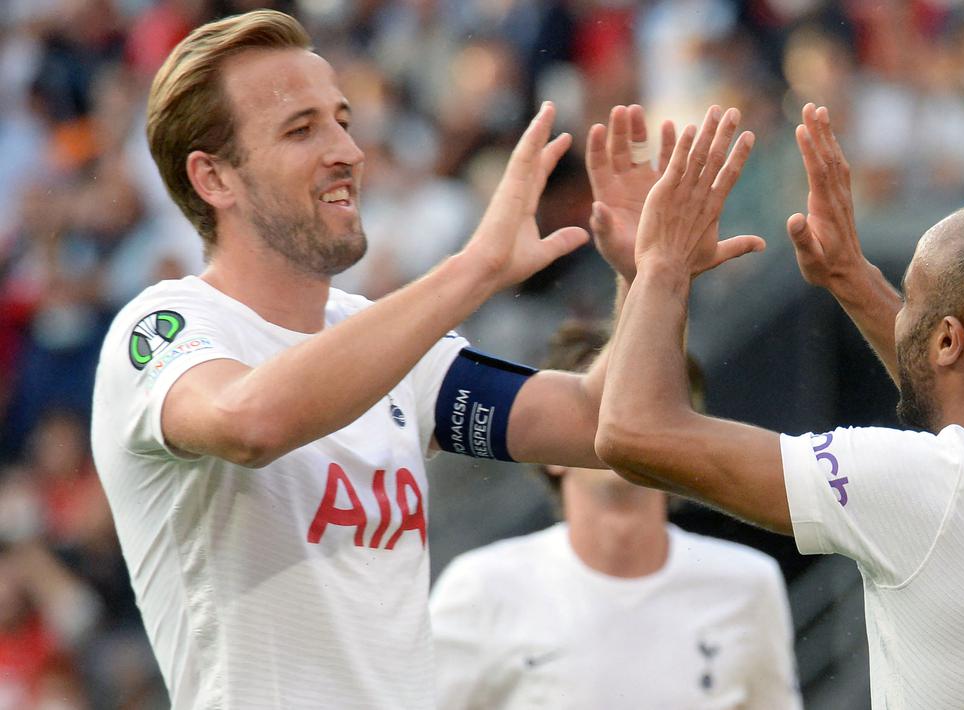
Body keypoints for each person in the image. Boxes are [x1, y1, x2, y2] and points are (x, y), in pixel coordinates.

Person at [89, 10, 760, 709]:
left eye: (342, 119)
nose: (347, 149)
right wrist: (474, 268)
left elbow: (607, 427)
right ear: (213, 178)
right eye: (301, 128)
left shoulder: (392, 346)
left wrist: (651, 276)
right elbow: (250, 420)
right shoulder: (163, 329)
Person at [595, 103, 964, 708]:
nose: (898, 311)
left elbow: (632, 432)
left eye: (911, 298)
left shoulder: (924, 488)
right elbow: (957, 384)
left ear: (948, 338)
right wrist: (850, 275)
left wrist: (660, 262)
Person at [429, 321, 802, 710]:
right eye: (601, 409)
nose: (625, 431)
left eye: (656, 409)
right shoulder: (479, 589)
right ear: (547, 451)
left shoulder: (749, 583)